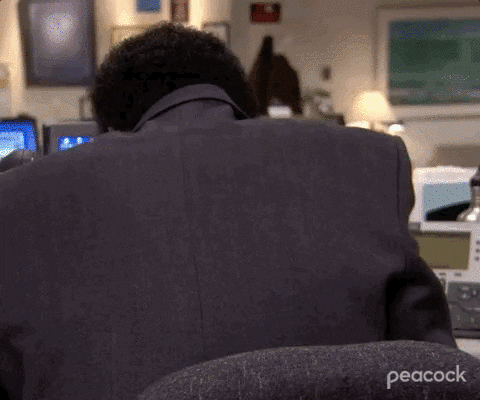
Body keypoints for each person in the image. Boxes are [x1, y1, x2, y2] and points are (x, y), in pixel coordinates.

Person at [0, 22, 456, 400]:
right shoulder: (370, 161)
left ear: (109, 126)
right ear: (242, 103)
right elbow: (438, 373)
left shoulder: (18, 195)